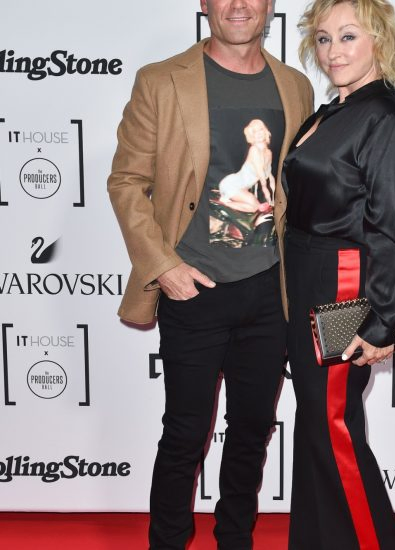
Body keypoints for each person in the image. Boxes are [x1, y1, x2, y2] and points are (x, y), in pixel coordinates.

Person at [107, 1, 313, 548]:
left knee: (252, 431)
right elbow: (126, 182)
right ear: (203, 4)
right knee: (185, 434)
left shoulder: (294, 86)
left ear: (270, 5)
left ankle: (235, 540)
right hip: (193, 289)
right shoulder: (160, 80)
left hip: (269, 291)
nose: (239, 6)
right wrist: (164, 266)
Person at [282, 0, 395, 548]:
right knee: (316, 425)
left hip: (342, 284)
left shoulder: (387, 120)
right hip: (306, 275)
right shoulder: (333, 111)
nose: (333, 51)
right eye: (323, 38)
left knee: (334, 427)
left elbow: (387, 230)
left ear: (379, 41)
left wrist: (384, 321)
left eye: (348, 37)